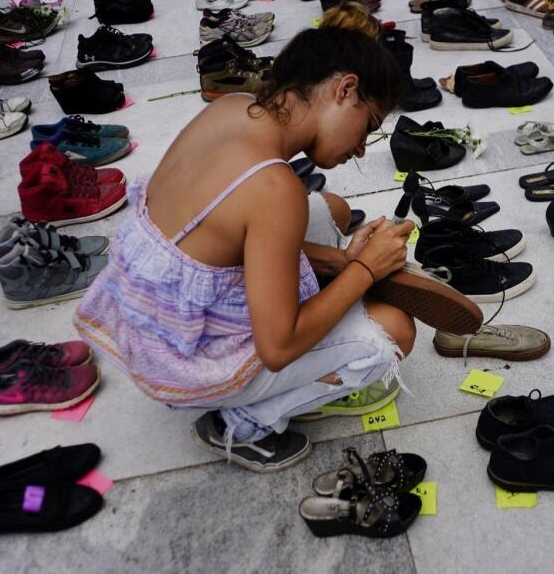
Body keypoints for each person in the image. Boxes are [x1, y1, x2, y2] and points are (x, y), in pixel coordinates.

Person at [75, 25, 423, 472]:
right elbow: (278, 347)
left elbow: (223, 235)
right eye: (368, 126)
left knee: (329, 209)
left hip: (147, 319)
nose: (359, 149)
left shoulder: (233, 107)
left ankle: (330, 281)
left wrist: (343, 261)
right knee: (392, 331)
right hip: (183, 363)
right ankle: (243, 424)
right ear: (345, 89)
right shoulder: (274, 189)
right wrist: (365, 273)